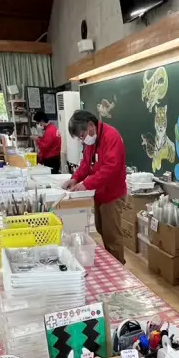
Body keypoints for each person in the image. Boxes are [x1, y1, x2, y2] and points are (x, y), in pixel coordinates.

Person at [65, 109, 127, 264]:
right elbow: (86, 164)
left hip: (112, 194)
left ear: (91, 126)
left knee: (112, 236)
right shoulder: (92, 140)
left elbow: (110, 168)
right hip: (99, 194)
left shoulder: (111, 137)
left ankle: (119, 269)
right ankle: (112, 264)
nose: (82, 140)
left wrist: (86, 183)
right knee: (102, 230)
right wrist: (75, 179)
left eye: (81, 136)